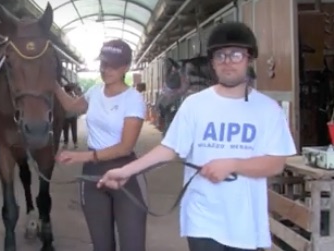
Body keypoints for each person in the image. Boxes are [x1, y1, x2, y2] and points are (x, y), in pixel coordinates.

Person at [97, 22, 297, 251]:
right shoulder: (195, 105)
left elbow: (275, 164)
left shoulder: (268, 109)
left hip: (245, 223)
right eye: (220, 55)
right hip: (202, 218)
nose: (228, 61)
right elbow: (169, 149)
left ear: (249, 58)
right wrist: (126, 171)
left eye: (236, 54)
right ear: (212, 62)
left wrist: (232, 164)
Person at [53, 39, 148, 251]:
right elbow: (70, 106)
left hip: (125, 171)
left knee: (133, 245)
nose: (105, 69)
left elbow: (125, 146)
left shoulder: (133, 99)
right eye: (103, 64)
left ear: (125, 67)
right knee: (101, 245)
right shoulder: (94, 92)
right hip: (93, 175)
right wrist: (53, 82)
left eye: (113, 65)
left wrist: (80, 157)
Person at [61, 83, 79, 149]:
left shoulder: (65, 96)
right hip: (72, 116)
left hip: (67, 116)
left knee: (66, 130)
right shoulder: (71, 96)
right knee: (73, 130)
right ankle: (75, 143)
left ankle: (66, 143)